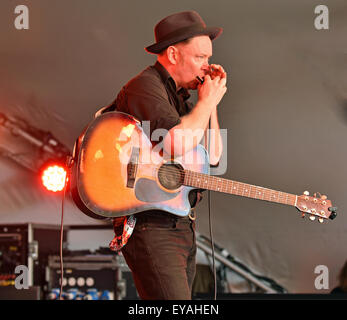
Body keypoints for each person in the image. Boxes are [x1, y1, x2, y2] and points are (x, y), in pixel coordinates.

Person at [106, 11, 227, 300]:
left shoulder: (182, 98)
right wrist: (207, 101)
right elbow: (174, 143)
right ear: (173, 54)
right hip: (151, 225)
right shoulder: (145, 87)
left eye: (208, 58)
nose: (207, 66)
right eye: (200, 58)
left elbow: (214, 159)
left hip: (180, 223)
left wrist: (210, 104)